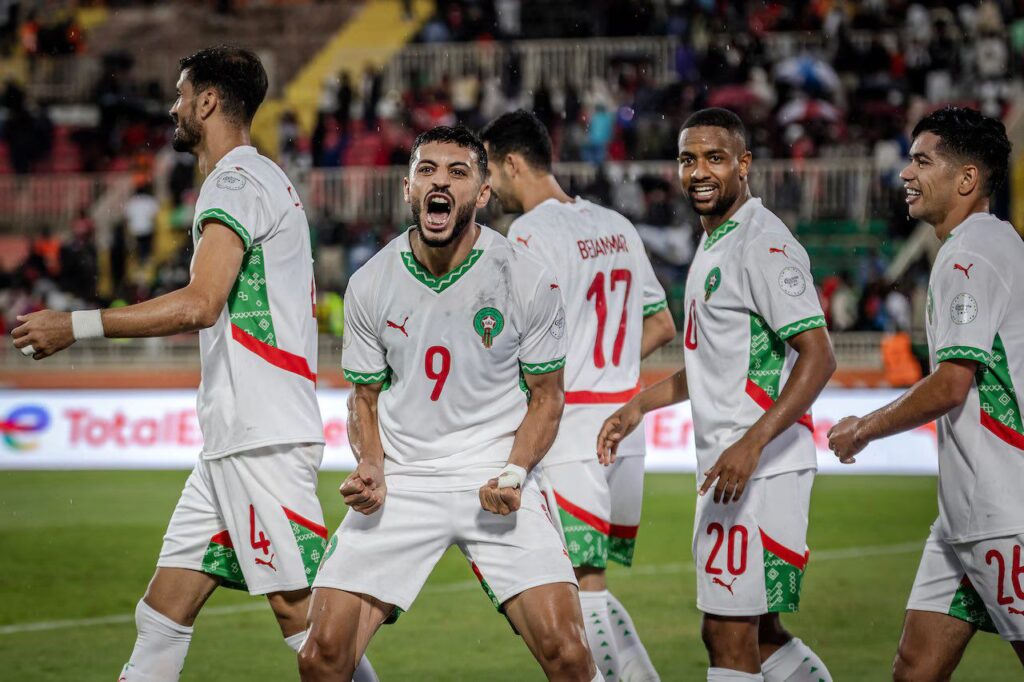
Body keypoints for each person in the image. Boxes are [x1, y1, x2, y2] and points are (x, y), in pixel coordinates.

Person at [10, 46, 375, 681]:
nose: (175, 108)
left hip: (260, 441)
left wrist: (78, 324)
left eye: (182, 95)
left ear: (207, 101)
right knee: (162, 613)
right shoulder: (263, 178)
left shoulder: (234, 182)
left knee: (310, 631)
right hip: (232, 442)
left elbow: (202, 304)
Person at [299, 125, 598, 682]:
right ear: (409, 189)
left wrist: (514, 472)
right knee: (321, 658)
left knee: (569, 655)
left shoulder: (526, 277)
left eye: (458, 173)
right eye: (427, 171)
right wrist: (370, 463)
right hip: (404, 481)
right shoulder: (371, 283)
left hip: (497, 476)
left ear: (482, 194)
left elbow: (548, 398)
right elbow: (363, 399)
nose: (441, 182)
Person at [598, 108, 835, 682]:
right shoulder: (714, 241)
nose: (699, 171)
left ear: (743, 164)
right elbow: (711, 363)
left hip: (758, 466)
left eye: (714, 157)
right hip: (735, 465)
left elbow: (819, 355)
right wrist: (640, 405)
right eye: (687, 159)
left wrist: (751, 445)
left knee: (727, 634)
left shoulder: (762, 242)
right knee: (761, 631)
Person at [828, 106, 1024, 678]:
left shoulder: (968, 253)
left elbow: (952, 383)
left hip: (1002, 509)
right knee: (914, 669)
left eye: (922, 160)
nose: (905, 174)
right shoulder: (996, 244)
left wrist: (863, 427)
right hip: (964, 514)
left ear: (966, 180)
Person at [480, 109, 676, 681]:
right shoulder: (615, 224)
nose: (490, 188)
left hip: (570, 433)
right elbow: (660, 324)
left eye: (491, 170)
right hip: (623, 425)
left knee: (576, 593)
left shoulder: (528, 234)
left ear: (513, 163)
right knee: (589, 586)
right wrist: (608, 365)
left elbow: (514, 339)